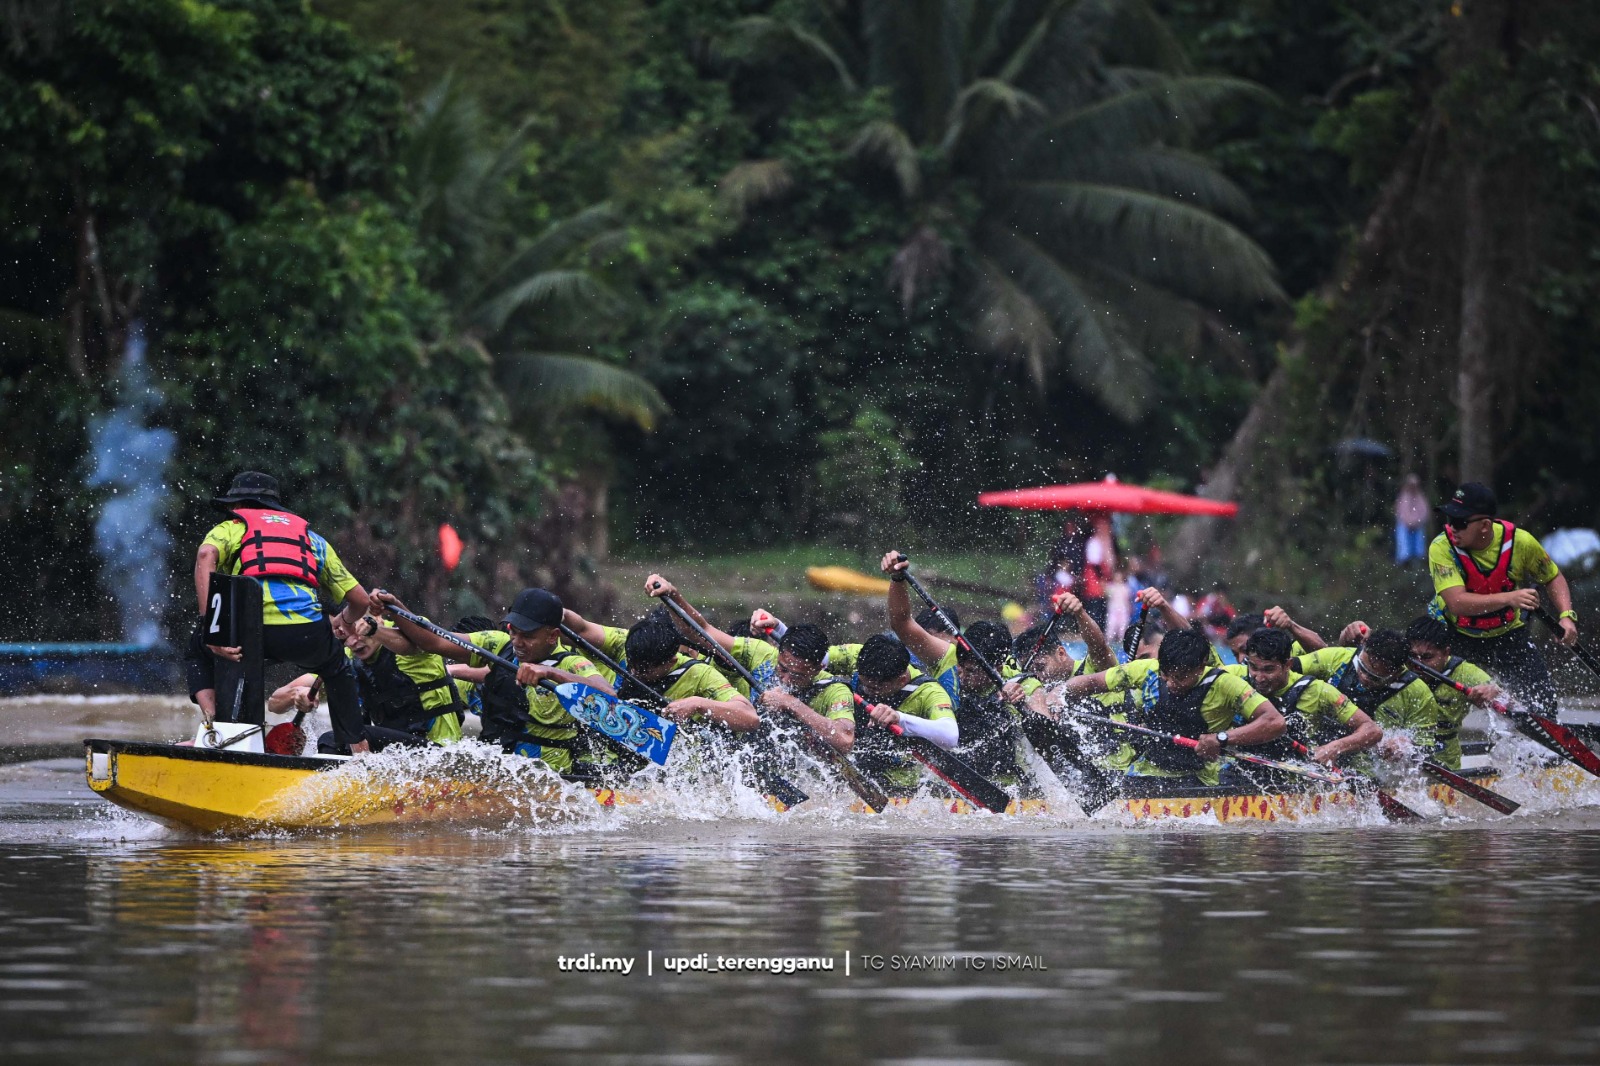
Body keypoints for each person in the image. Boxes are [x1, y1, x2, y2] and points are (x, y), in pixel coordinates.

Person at [188, 471, 371, 752]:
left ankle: (216, 730)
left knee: (200, 647)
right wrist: (344, 622)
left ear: (238, 506)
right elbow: (360, 600)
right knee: (338, 669)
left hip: (247, 637)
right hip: (307, 636)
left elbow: (205, 556)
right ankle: (358, 751)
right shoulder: (313, 539)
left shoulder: (231, 528)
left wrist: (211, 628)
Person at [374, 587, 618, 772]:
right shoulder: (497, 645)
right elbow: (434, 641)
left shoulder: (571, 664)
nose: (517, 642)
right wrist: (396, 608)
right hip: (496, 769)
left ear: (553, 635)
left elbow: (608, 694)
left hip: (548, 778)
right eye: (513, 631)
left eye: (528, 636)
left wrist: (551, 674)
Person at [1059, 628, 1285, 787]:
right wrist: (1057, 697)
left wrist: (1221, 739)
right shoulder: (1148, 668)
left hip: (1199, 777)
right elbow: (1091, 682)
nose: (1170, 684)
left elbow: (1274, 722)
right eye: (1165, 676)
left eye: (1180, 678)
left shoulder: (1226, 684)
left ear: (1201, 665)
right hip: (1145, 772)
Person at [1427, 481, 1578, 714]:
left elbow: (1552, 577)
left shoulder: (1521, 542)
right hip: (1455, 636)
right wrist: (1509, 598)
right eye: (1449, 520)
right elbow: (1457, 603)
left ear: (1485, 525)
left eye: (1460, 522)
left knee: (1543, 706)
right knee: (1435, 704)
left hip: (1508, 635)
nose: (1452, 527)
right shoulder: (1441, 547)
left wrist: (1566, 616)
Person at [1291, 628, 1448, 767]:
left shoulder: (1419, 693)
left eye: (1375, 678)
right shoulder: (1337, 657)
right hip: (1315, 751)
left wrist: (1406, 746)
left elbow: (1426, 748)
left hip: (1368, 770)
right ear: (1363, 649)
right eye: (1362, 668)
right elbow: (1285, 673)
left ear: (1397, 672)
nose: (1364, 678)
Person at [1228, 627, 1381, 768]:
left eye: (1268, 670)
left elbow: (1372, 730)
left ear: (1287, 664)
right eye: (1254, 668)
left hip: (1295, 779)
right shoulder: (1232, 678)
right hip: (1240, 771)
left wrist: (1334, 748)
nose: (1259, 678)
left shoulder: (1318, 691)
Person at [848, 634, 959, 795]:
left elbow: (950, 736)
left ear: (901, 680)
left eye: (875, 689)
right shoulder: (856, 656)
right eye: (864, 684)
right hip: (859, 768)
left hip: (902, 785)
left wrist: (900, 718)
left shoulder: (930, 692)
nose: (867, 691)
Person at [1407, 616, 1500, 771]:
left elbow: (1508, 701)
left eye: (1427, 657)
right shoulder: (1396, 665)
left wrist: (1494, 692)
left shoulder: (1466, 673)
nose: (1418, 665)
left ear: (1446, 653)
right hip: (1403, 757)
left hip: (1446, 764)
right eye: (1412, 657)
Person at [756, 624, 857, 754]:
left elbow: (845, 741)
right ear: (779, 654)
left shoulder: (837, 691)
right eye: (783, 669)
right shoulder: (763, 655)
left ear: (818, 669)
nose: (786, 680)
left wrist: (789, 703)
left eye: (797, 675)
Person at [1394, 473, 1429, 565]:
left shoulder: (1420, 497)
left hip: (1417, 526)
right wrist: (1408, 522)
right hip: (1405, 525)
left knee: (1419, 539)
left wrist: (1416, 522)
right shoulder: (1403, 497)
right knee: (1402, 535)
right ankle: (1404, 559)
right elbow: (1401, 512)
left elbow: (1424, 512)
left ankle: (1418, 559)